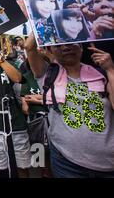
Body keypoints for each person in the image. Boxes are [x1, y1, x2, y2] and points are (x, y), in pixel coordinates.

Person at [25, 34, 114, 177]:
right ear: (50, 51)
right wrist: (41, 17)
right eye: (58, 45)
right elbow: (29, 47)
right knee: (40, 162)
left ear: (81, 48)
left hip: (107, 162)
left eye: (71, 43)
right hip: (66, 163)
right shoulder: (48, 75)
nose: (65, 47)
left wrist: (110, 69)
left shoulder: (101, 74)